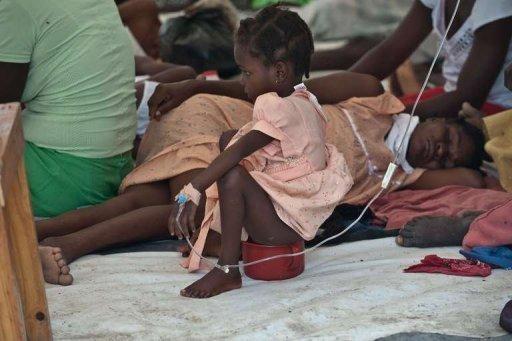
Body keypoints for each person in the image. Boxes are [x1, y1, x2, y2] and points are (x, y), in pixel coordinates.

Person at [35, 5, 488, 287]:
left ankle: (43, 234)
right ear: (434, 115)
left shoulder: (400, 175)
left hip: (254, 161)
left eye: (449, 156)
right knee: (193, 210)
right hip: (225, 122)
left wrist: (472, 151)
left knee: (159, 201)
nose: (440, 152)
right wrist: (198, 86)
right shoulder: (369, 94)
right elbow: (275, 88)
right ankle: (68, 246)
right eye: (446, 138)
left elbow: (470, 177)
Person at [173, 6, 354, 297]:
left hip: (283, 229)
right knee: (229, 139)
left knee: (232, 173)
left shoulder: (279, 107)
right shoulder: (304, 100)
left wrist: (191, 190)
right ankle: (223, 240)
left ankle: (228, 270)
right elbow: (237, 144)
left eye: (246, 73)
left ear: (279, 71)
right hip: (285, 216)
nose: (242, 82)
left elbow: (238, 153)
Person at [0, 0, 141, 285]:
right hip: (110, 168)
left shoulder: (14, 5)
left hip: (61, 174)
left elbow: (5, 100)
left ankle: (17, 248)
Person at [350, 0, 512, 118]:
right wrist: (333, 90)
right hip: (449, 95)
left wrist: (389, 117)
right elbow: (388, 54)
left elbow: (468, 98)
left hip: (491, 111)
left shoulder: (495, 5)